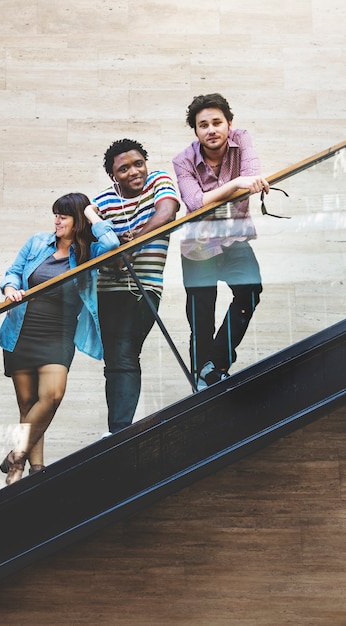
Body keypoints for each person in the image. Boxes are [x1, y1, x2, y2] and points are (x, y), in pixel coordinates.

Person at [0, 192, 120, 484]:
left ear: (77, 220)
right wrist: (9, 290)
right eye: (56, 215)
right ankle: (29, 471)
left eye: (63, 216)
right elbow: (13, 273)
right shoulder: (38, 242)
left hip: (59, 335)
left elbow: (113, 244)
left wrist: (92, 215)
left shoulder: (89, 252)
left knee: (51, 396)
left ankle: (17, 453)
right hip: (22, 330)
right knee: (28, 404)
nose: (56, 221)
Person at [172, 93, 269, 390]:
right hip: (197, 245)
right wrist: (236, 183)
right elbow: (195, 202)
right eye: (203, 125)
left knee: (251, 290)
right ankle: (202, 382)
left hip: (234, 236)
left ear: (229, 123)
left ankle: (213, 366)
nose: (211, 130)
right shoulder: (183, 161)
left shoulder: (242, 140)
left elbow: (251, 179)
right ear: (196, 131)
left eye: (217, 122)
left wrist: (239, 183)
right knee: (201, 313)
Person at [93, 139, 180, 434]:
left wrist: (131, 246)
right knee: (116, 357)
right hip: (107, 289)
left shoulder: (158, 179)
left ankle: (119, 431)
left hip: (146, 288)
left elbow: (166, 212)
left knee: (125, 352)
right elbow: (95, 246)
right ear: (112, 175)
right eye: (124, 168)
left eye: (138, 163)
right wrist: (113, 251)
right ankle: (116, 430)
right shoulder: (102, 202)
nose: (134, 172)